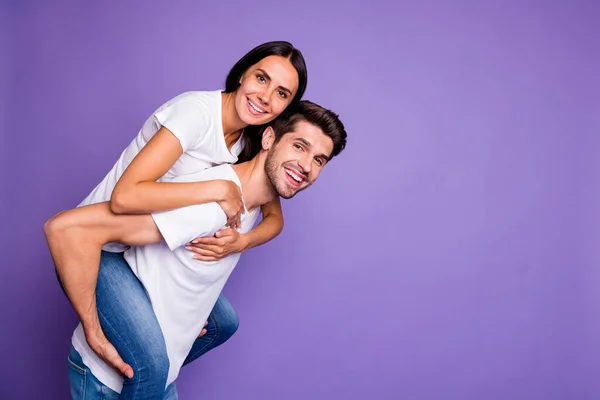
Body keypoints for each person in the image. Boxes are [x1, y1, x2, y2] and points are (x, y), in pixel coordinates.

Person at [49, 40, 308, 397]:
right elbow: (126, 197)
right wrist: (217, 187)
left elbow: (274, 216)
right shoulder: (195, 114)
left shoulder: (250, 138)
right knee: (151, 364)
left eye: (281, 93)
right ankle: (130, 367)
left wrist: (244, 240)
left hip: (145, 246)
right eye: (261, 78)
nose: (265, 96)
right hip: (101, 245)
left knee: (222, 322)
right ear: (242, 73)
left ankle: (144, 376)